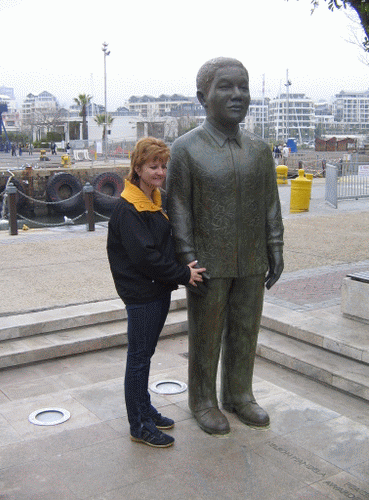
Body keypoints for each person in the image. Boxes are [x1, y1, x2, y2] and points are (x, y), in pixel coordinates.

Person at [167, 57, 284, 435]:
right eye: (226, 87)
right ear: (203, 96)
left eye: (243, 87)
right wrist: (187, 258)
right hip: (208, 262)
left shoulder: (260, 150)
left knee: (246, 330)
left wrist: (275, 247)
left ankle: (239, 394)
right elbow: (178, 207)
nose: (237, 95)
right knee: (206, 333)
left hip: (251, 258)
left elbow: (270, 202)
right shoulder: (185, 149)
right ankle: (202, 399)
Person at [107, 137, 206, 448]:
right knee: (138, 359)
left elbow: (160, 246)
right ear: (138, 168)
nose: (161, 172)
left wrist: (180, 262)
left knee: (143, 357)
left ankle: (143, 408)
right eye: (153, 166)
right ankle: (139, 424)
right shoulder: (130, 208)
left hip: (155, 291)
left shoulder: (152, 201)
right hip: (143, 295)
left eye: (164, 166)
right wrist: (183, 273)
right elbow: (146, 257)